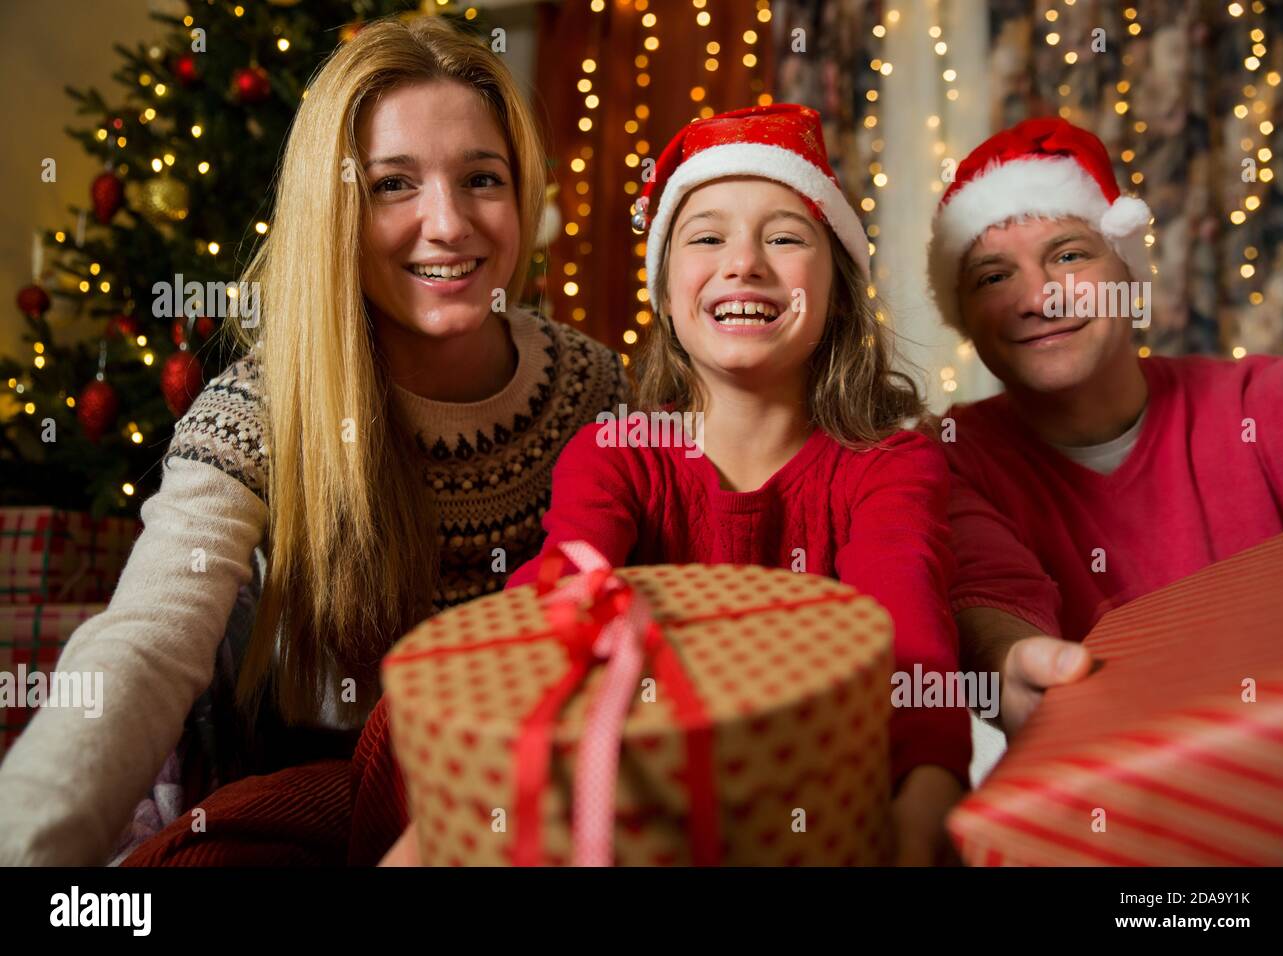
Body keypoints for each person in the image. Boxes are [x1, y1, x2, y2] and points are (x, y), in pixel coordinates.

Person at [0, 15, 626, 866]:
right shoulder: (259, 406)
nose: (448, 224)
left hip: (528, 797)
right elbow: (145, 641)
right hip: (294, 802)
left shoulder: (597, 387)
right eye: (392, 185)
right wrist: (28, 841)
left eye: (482, 178)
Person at [357, 104, 972, 867]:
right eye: (707, 237)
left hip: (812, 800)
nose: (744, 263)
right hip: (635, 797)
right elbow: (561, 597)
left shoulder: (889, 465)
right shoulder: (615, 456)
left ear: (840, 290)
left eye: (784, 237)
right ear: (668, 296)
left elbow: (911, 637)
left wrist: (926, 797)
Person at [927, 117, 1283, 737]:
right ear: (964, 318)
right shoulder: (949, 460)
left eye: (1068, 255)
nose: (1039, 297)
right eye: (993, 277)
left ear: (1129, 277)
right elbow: (989, 594)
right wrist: (1012, 661)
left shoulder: (1262, 404)